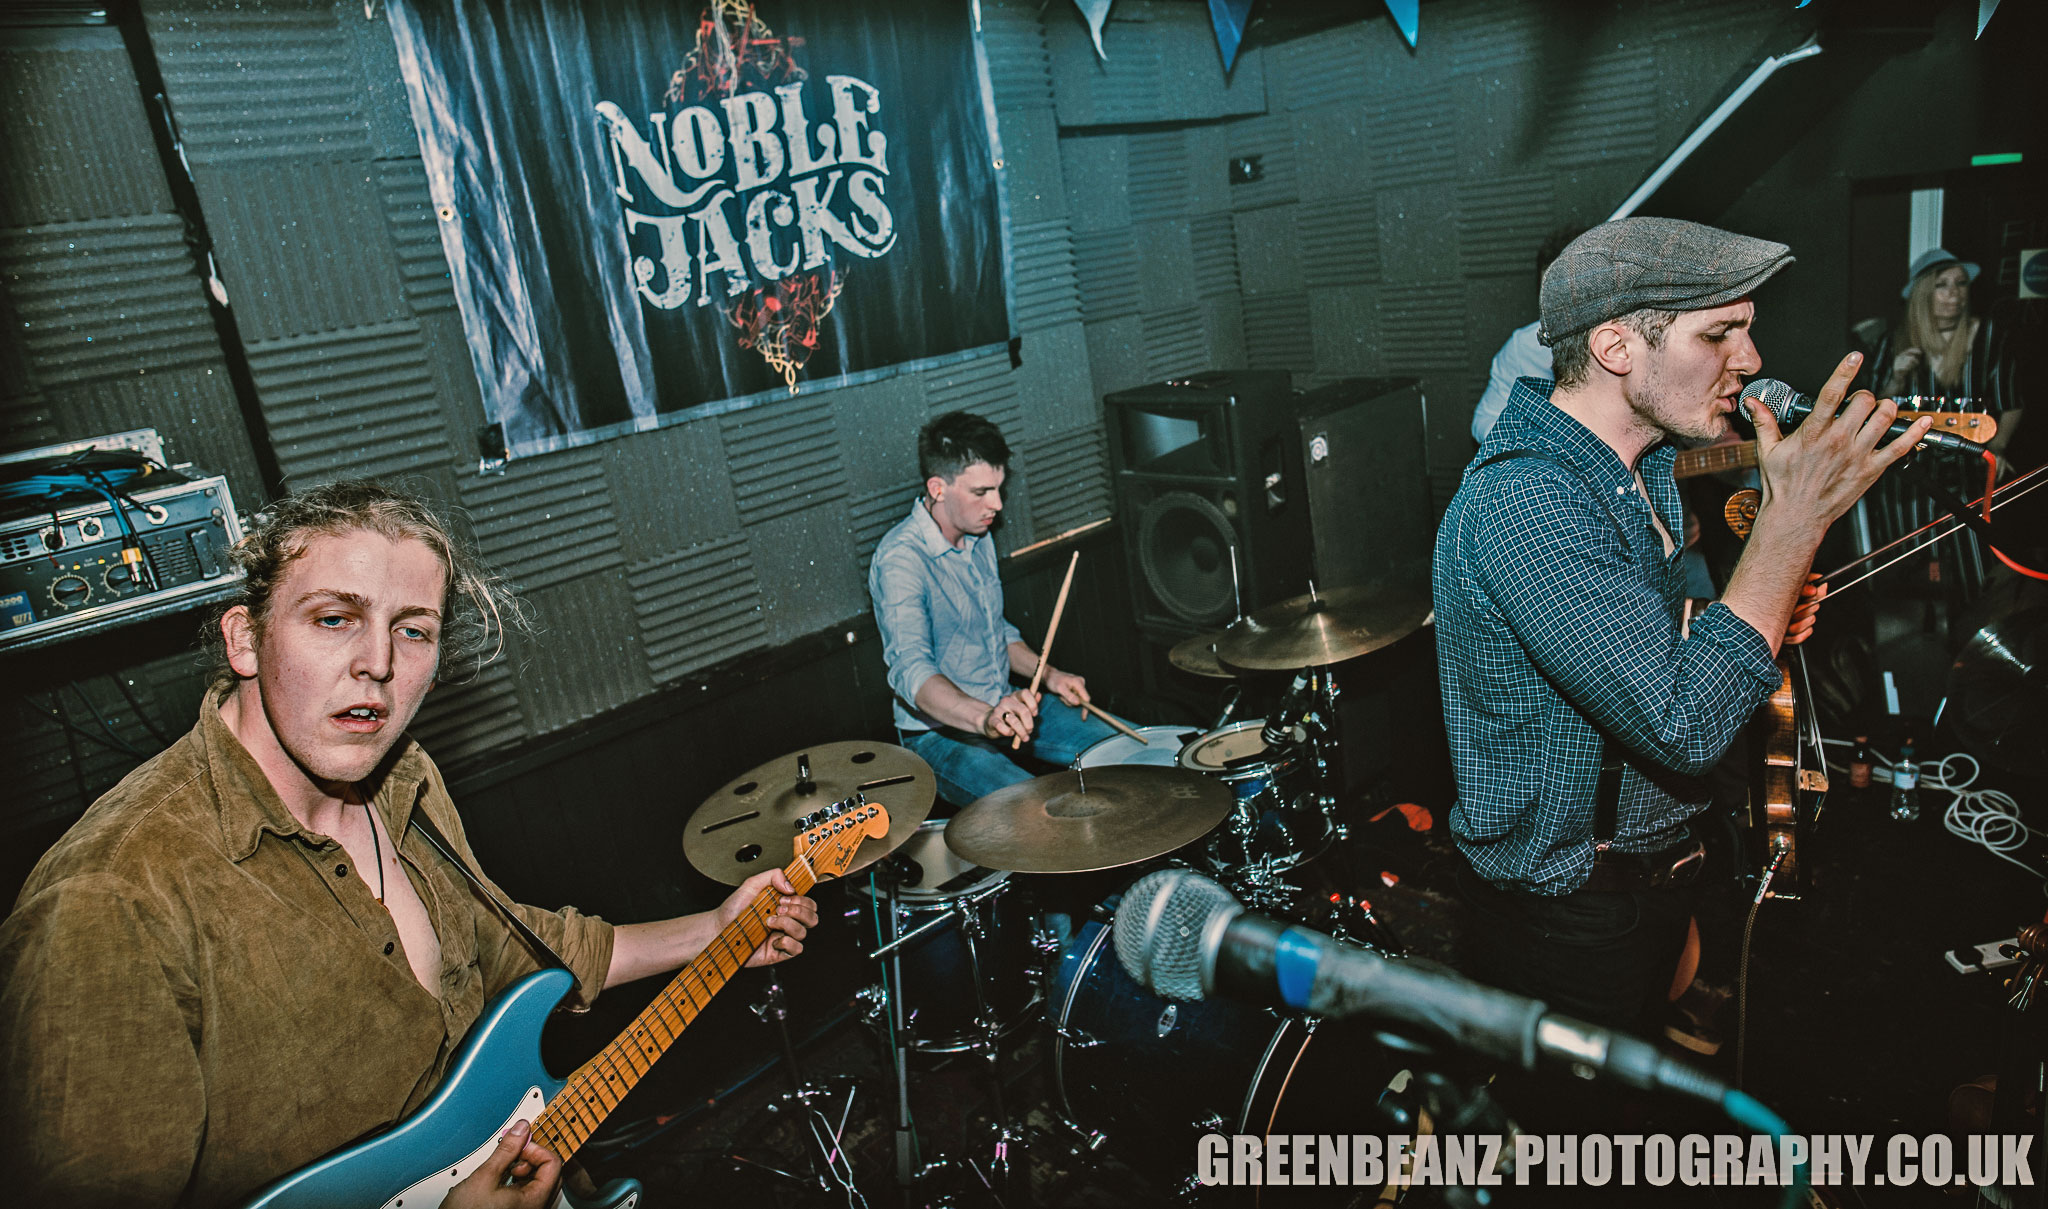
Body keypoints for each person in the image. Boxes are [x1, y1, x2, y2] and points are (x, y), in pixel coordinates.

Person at [0, 480, 820, 1207]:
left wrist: (715, 932)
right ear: (245, 639)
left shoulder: (404, 778)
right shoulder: (110, 898)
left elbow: (520, 952)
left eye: (414, 631)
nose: (378, 665)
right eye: (334, 619)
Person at [1434, 218, 1930, 1034]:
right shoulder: (1527, 502)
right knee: (1579, 1152)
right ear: (1618, 347)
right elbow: (1682, 722)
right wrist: (1790, 526)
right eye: (1721, 333)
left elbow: (1623, 640)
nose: (1753, 361)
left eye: (1749, 330)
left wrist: (1731, 613)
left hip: (1649, 883)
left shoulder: (1638, 472)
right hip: (1568, 918)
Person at [868, 411, 1114, 808]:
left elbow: (994, 631)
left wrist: (1048, 675)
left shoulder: (976, 535)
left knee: (1135, 752)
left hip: (1004, 703)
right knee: (1041, 815)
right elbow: (912, 672)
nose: (997, 504)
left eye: (999, 489)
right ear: (938, 488)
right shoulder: (901, 560)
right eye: (982, 492)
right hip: (939, 735)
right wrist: (985, 718)